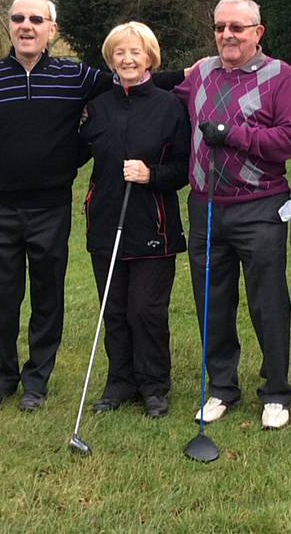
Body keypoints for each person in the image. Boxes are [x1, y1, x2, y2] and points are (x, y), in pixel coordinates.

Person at [0, 0, 186, 412]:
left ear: (51, 29)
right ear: (10, 26)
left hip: (51, 208)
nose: (27, 27)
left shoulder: (76, 77)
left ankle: (37, 381)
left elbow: (132, 80)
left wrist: (193, 74)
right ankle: (2, 378)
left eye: (36, 20)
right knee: (2, 297)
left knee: (47, 296)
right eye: (19, 19)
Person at [175, 0, 291, 429]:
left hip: (260, 205)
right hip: (206, 206)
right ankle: (222, 387)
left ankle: (276, 391)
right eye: (220, 27)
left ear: (257, 32)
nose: (227, 35)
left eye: (236, 27)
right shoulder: (202, 74)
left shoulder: (278, 76)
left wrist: (233, 134)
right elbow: (160, 100)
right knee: (212, 299)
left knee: (268, 302)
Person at [78, 22, 190, 419]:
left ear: (150, 58)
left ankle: (154, 384)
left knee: (146, 309)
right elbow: (76, 152)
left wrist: (150, 175)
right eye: (119, 52)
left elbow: (184, 169)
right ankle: (120, 382)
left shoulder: (169, 106)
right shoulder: (98, 106)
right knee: (116, 310)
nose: (127, 59)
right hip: (106, 223)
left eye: (135, 52)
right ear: (110, 57)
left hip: (153, 225)